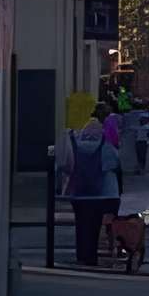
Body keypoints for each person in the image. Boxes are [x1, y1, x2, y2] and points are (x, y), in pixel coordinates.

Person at [58, 111, 121, 265]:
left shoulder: (74, 145)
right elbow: (114, 164)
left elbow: (66, 166)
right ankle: (92, 256)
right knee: (95, 225)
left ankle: (82, 255)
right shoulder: (106, 145)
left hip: (79, 194)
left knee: (81, 225)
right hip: (103, 194)